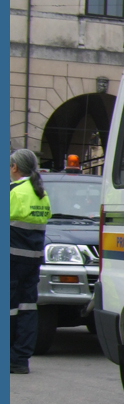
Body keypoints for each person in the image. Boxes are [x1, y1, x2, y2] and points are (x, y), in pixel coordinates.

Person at [10, 148, 52, 374]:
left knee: (9, 310)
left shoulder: (14, 191)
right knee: (27, 309)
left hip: (11, 261)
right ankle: (20, 360)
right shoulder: (40, 193)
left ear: (15, 168)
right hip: (32, 261)